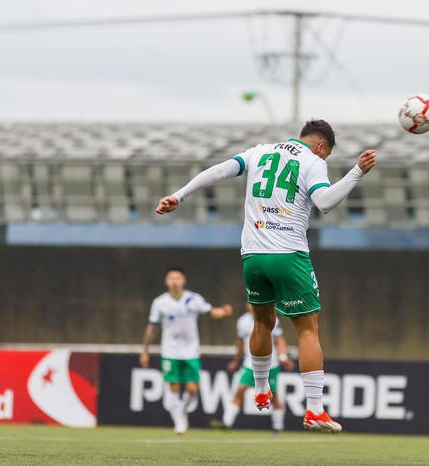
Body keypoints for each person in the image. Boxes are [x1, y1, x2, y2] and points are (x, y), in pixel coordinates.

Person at [156, 119, 377, 432]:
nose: (323, 160)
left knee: (262, 321)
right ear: (320, 146)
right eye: (325, 155)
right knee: (308, 329)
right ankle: (315, 409)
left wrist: (180, 195)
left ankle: (261, 389)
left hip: (253, 256)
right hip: (289, 255)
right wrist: (356, 172)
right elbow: (325, 203)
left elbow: (218, 170)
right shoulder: (311, 161)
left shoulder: (260, 152)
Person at [140, 267, 233, 434]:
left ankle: (181, 409)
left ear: (184, 281)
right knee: (174, 386)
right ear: (166, 281)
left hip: (191, 351)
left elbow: (211, 312)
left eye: (178, 278)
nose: (175, 281)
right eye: (171, 278)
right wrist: (145, 351)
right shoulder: (160, 302)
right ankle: (179, 421)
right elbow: (151, 327)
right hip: (170, 351)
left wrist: (224, 312)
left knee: (192, 389)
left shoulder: (193, 299)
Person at [212, 303, 295, 432]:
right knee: (239, 391)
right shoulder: (242, 321)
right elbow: (240, 343)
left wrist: (283, 356)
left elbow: (279, 339)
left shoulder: (271, 318)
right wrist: (236, 360)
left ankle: (278, 426)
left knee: (274, 396)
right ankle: (227, 423)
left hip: (270, 364)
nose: (252, 306)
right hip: (249, 364)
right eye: (250, 303)